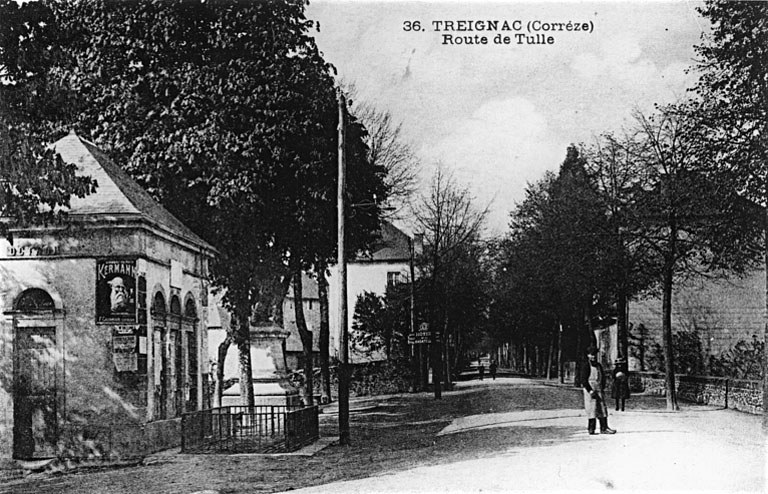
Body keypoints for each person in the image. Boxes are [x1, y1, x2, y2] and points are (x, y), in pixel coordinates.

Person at [580, 346, 616, 435]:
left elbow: (602, 377)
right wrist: (590, 390)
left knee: (602, 408)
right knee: (591, 409)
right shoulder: (586, 365)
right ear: (588, 355)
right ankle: (591, 429)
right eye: (591, 355)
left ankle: (604, 428)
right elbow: (583, 380)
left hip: (599, 389)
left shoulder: (598, 365)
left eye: (595, 355)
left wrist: (602, 387)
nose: (593, 357)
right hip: (590, 389)